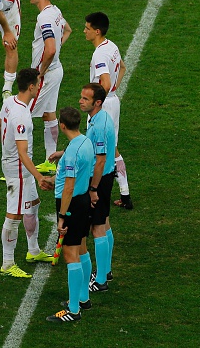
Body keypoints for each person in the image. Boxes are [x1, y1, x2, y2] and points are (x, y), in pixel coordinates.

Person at [0, 68, 54, 279]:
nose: (39, 86)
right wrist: (39, 176)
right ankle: (7, 263)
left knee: (33, 204)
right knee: (14, 216)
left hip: (11, 164)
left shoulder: (9, 102)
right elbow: (23, 153)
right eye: (38, 83)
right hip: (18, 170)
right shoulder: (21, 115)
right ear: (30, 87)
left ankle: (33, 251)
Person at [43, 107, 95, 323]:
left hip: (72, 204)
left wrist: (62, 216)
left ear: (62, 126)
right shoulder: (85, 142)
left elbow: (69, 188)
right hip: (83, 201)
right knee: (82, 248)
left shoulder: (72, 152)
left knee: (70, 254)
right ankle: (83, 298)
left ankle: (74, 310)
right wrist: (55, 181)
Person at [84, 12, 133, 210]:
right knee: (112, 149)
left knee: (95, 150)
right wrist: (113, 91)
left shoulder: (100, 54)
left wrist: (96, 104)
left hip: (103, 107)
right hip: (113, 102)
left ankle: (92, 192)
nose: (84, 31)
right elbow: (122, 67)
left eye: (87, 28)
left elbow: (105, 81)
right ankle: (125, 194)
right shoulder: (111, 46)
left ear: (97, 31)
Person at [27, 0, 72, 174]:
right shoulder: (55, 11)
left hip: (45, 75)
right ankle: (50, 162)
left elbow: (51, 49)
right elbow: (68, 30)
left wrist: (40, 73)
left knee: (22, 116)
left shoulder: (44, 17)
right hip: (56, 71)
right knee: (48, 114)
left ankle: (22, 166)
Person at [78, 83, 116, 292]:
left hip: (99, 179)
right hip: (105, 177)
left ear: (97, 102)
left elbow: (100, 160)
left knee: (97, 228)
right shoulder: (97, 118)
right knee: (105, 222)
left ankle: (100, 280)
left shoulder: (99, 125)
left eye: (85, 99)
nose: (81, 101)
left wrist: (93, 189)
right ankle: (106, 270)